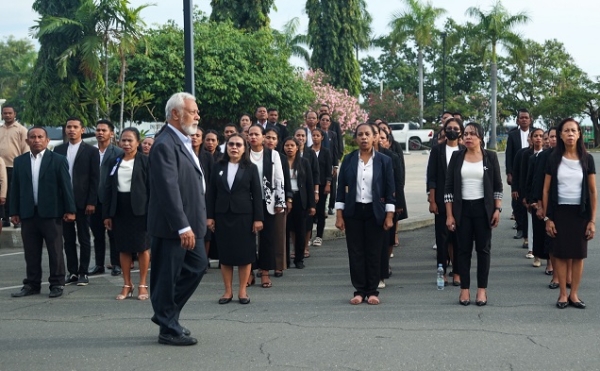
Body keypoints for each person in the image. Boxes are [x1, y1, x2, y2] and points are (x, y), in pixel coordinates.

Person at [148, 92, 208, 346]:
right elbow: (168, 189)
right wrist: (183, 226)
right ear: (175, 113)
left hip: (190, 223)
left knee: (197, 266)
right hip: (173, 227)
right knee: (166, 276)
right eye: (192, 111)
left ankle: (166, 314)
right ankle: (167, 326)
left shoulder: (181, 140)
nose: (197, 115)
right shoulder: (164, 144)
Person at [10, 127, 76, 298]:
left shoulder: (58, 160)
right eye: (33, 137)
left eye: (40, 137)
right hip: (28, 213)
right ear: (27, 141)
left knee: (55, 250)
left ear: (47, 141)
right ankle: (32, 284)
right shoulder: (20, 161)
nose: (36, 140)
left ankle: (57, 284)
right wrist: (14, 211)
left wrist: (70, 210)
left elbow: (66, 187)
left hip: (52, 213)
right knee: (31, 251)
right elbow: (15, 188)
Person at [335, 123, 395, 305]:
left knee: (374, 252)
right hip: (353, 211)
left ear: (374, 137)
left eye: (367, 134)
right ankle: (359, 290)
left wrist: (389, 215)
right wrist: (339, 215)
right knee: (355, 252)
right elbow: (340, 189)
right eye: (360, 134)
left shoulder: (384, 161)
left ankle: (372, 291)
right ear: (355, 138)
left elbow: (390, 189)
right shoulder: (349, 160)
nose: (364, 137)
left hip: (375, 211)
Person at [445, 122, 503, 307]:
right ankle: (464, 290)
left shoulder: (490, 157)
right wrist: (449, 215)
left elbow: (497, 186)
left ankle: (481, 290)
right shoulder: (457, 157)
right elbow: (448, 189)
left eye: (472, 134)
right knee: (463, 250)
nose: (468, 137)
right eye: (466, 134)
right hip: (462, 210)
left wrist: (497, 209)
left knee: (483, 250)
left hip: (483, 209)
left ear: (480, 138)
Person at [542, 118, 596, 309]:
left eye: (574, 130)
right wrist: (548, 218)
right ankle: (563, 295)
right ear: (561, 135)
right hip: (559, 212)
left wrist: (592, 220)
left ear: (579, 134)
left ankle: (574, 294)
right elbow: (546, 190)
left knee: (578, 255)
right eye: (566, 131)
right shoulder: (553, 159)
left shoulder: (587, 159)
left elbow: (592, 191)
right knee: (561, 254)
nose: (570, 134)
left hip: (580, 213)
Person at [207, 134, 264, 304]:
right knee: (226, 255)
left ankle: (242, 291)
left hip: (244, 217)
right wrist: (209, 216)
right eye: (231, 144)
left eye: (238, 144)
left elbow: (257, 193)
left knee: (244, 255)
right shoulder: (218, 166)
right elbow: (211, 194)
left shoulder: (250, 168)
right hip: (222, 215)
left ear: (244, 147)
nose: (234, 147)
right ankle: (227, 292)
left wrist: (258, 218)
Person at [103, 127, 150, 301]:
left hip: (140, 209)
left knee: (142, 247)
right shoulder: (114, 161)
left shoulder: (146, 161)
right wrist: (107, 214)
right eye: (124, 140)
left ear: (138, 142)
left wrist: (152, 211)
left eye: (130, 140)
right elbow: (108, 188)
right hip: (120, 209)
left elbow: (152, 188)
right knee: (123, 247)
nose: (127, 143)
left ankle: (142, 284)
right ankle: (127, 284)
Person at [54, 117, 100, 286]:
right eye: (69, 127)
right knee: (67, 238)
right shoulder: (58, 150)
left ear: (82, 129)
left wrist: (92, 201)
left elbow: (95, 179)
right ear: (65, 130)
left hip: (83, 201)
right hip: (64, 202)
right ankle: (72, 271)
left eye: (75, 127)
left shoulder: (91, 151)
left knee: (84, 237)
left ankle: (83, 272)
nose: (71, 130)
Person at [247, 125, 286, 288]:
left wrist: (280, 201)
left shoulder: (273, 155)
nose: (253, 137)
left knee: (267, 237)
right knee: (248, 238)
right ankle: (248, 272)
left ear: (263, 137)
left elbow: (279, 179)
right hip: (247, 201)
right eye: (250, 134)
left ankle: (264, 272)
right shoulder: (244, 154)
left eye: (257, 134)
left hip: (268, 201)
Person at [427, 118, 464, 286]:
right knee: (441, 240)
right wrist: (432, 199)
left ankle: (457, 272)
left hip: (461, 201)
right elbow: (432, 177)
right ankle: (441, 272)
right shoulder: (437, 150)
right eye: (449, 128)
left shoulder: (464, 150)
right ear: (444, 130)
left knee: (458, 239)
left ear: (461, 131)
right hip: (441, 201)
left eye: (456, 128)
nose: (452, 130)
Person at [89, 119, 124, 277]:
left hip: (111, 200)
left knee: (114, 234)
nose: (100, 133)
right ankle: (99, 264)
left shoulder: (118, 153)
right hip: (93, 200)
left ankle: (116, 264)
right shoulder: (90, 152)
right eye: (98, 130)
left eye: (104, 130)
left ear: (111, 133)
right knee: (97, 235)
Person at [283, 137, 315, 269]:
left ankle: (299, 259)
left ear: (297, 147)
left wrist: (312, 204)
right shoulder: (280, 161)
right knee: (284, 230)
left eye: (292, 145)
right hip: (284, 198)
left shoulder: (304, 162)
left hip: (300, 199)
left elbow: (309, 183)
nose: (289, 148)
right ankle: (284, 260)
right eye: (287, 145)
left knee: (300, 231)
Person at [264, 127, 292, 276]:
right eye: (268, 137)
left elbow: (285, 179)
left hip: (278, 200)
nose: (270, 140)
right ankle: (263, 266)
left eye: (273, 138)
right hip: (260, 200)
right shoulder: (254, 155)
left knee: (279, 233)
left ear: (277, 141)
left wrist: (287, 198)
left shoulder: (280, 157)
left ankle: (279, 265)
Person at [0, 104, 29, 227]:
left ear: (14, 114)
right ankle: (5, 218)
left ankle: (16, 218)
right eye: (4, 113)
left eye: (9, 113)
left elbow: (26, 149)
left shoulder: (21, 130)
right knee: (3, 194)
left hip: (14, 166)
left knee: (14, 193)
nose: (7, 115)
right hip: (1, 167)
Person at [505, 109, 531, 240]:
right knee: (517, 201)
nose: (524, 120)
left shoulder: (535, 133)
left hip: (532, 171)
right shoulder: (513, 135)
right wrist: (509, 173)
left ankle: (530, 231)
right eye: (522, 118)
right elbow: (508, 155)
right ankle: (520, 228)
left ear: (530, 120)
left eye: (526, 117)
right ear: (518, 120)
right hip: (517, 172)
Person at [310, 128, 333, 247]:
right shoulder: (308, 151)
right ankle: (307, 236)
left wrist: (328, 184)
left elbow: (329, 169)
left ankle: (319, 236)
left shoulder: (326, 152)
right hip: (310, 185)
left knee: (320, 211)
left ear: (322, 137)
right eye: (313, 135)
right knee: (310, 211)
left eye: (317, 135)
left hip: (323, 184)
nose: (315, 137)